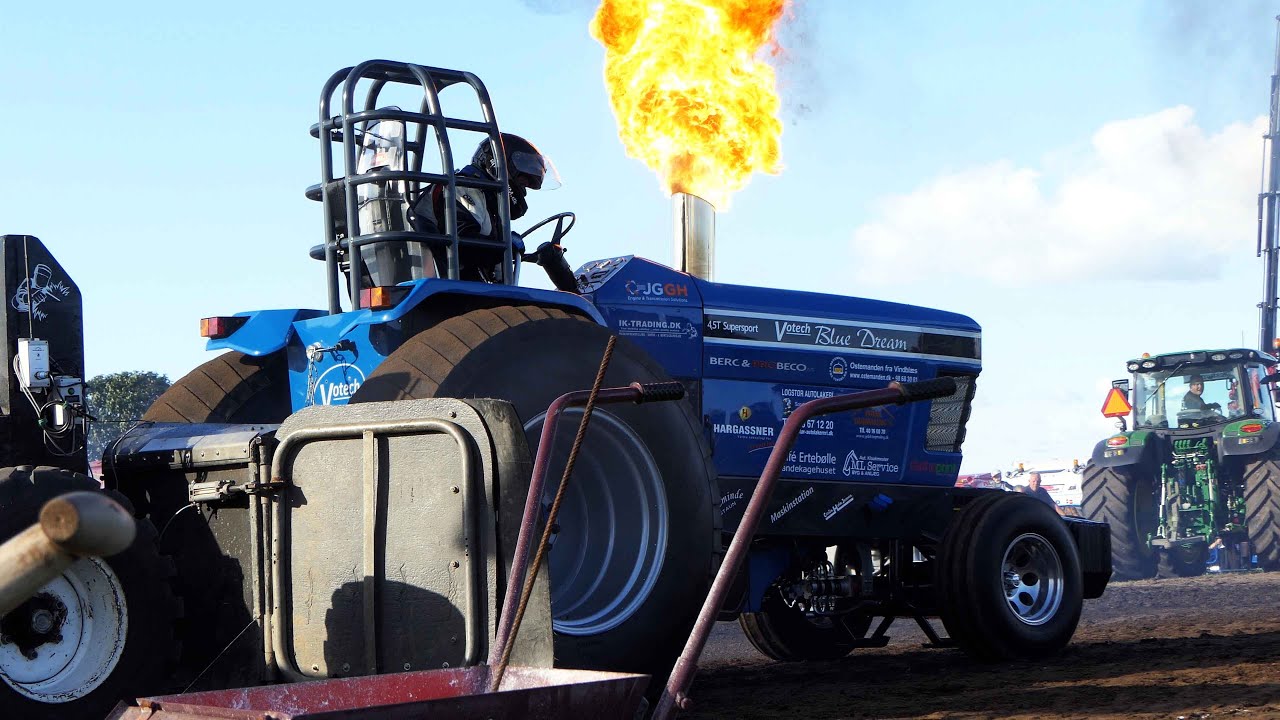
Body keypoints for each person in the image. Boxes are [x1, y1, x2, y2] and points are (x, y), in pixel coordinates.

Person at [409, 133, 572, 287]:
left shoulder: (486, 202)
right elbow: (465, 247)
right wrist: (504, 247)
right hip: (447, 285)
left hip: (457, 284)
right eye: (522, 180)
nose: (523, 189)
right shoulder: (464, 187)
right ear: (496, 164)